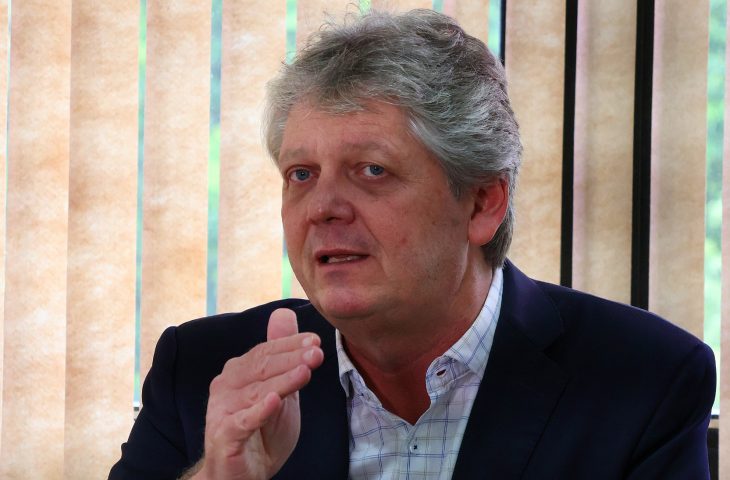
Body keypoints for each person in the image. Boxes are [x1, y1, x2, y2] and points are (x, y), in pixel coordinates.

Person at [109, 8, 716, 480]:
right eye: (302, 174)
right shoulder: (204, 373)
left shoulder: (642, 379)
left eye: (372, 170)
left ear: (481, 203)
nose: (322, 207)